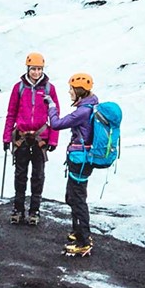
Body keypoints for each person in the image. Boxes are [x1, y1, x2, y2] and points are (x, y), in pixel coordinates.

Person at [2, 52, 60, 225]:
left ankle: (34, 211)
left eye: (39, 69)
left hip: (40, 138)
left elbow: (55, 113)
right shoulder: (18, 88)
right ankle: (18, 209)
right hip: (21, 137)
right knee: (20, 175)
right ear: (27, 68)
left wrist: (53, 139)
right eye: (33, 69)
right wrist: (6, 137)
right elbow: (11, 113)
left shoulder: (49, 89)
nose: (36, 72)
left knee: (38, 175)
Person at [47, 72, 97, 257]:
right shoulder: (90, 106)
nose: (69, 92)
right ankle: (79, 233)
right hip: (81, 159)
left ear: (79, 91)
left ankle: (84, 241)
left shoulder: (83, 111)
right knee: (73, 196)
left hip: (80, 160)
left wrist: (51, 107)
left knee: (77, 199)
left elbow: (56, 124)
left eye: (71, 89)